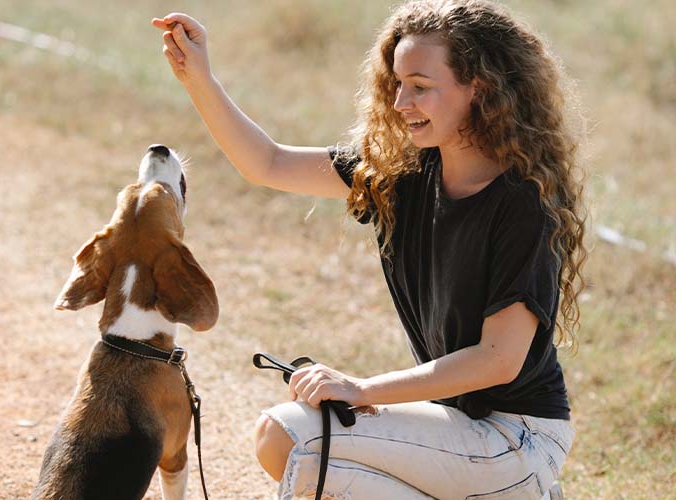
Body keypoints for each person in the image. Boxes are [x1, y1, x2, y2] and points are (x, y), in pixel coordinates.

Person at [152, 0, 586, 498]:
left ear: (479, 88)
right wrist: (198, 79)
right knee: (294, 444)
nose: (401, 101)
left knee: (288, 434)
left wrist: (361, 390)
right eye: (398, 83)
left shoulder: (523, 203)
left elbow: (497, 360)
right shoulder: (403, 176)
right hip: (457, 423)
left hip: (516, 439)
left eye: (421, 87)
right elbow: (267, 163)